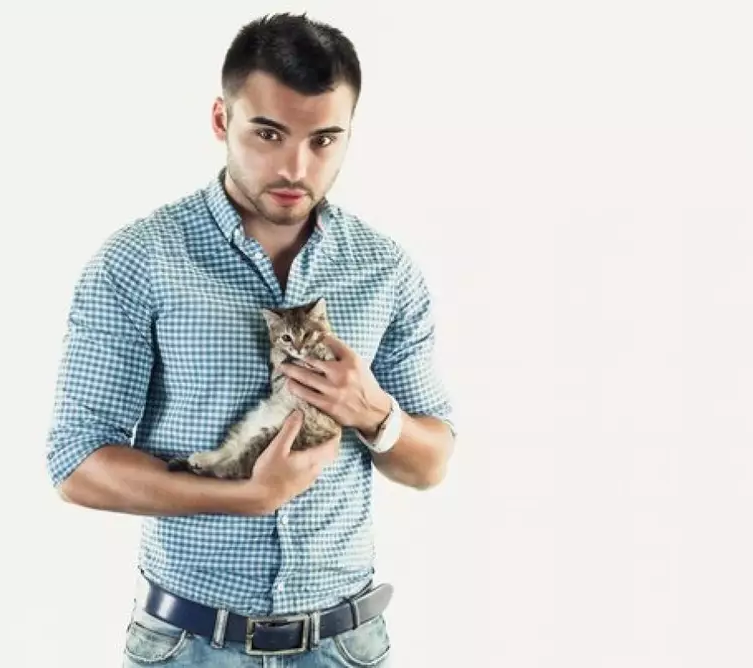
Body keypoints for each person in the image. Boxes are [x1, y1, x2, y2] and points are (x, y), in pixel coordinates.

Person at [44, 12, 458, 666]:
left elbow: (430, 463)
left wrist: (374, 412)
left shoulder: (385, 270)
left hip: (345, 646)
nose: (295, 166)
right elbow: (76, 464)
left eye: (324, 140)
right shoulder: (141, 260)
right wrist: (246, 497)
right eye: (268, 134)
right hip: (191, 645)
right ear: (221, 120)